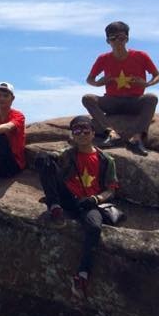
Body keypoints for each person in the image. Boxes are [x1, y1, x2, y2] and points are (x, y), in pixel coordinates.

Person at [35, 115, 121, 299]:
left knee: (94, 227)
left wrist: (95, 199)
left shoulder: (106, 159)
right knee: (43, 158)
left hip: (88, 203)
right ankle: (55, 207)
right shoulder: (68, 153)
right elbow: (54, 159)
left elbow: (111, 190)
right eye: (77, 131)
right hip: (67, 198)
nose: (81, 134)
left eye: (85, 130)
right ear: (72, 134)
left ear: (92, 133)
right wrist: (49, 158)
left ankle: (82, 275)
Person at [82, 21, 159, 156]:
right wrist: (98, 83)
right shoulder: (103, 58)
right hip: (112, 101)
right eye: (113, 38)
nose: (117, 42)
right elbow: (89, 79)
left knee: (151, 98)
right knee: (87, 98)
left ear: (127, 39)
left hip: (135, 101)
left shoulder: (141, 56)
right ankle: (111, 133)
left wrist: (147, 84)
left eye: (121, 38)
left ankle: (136, 139)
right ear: (108, 41)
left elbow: (158, 76)